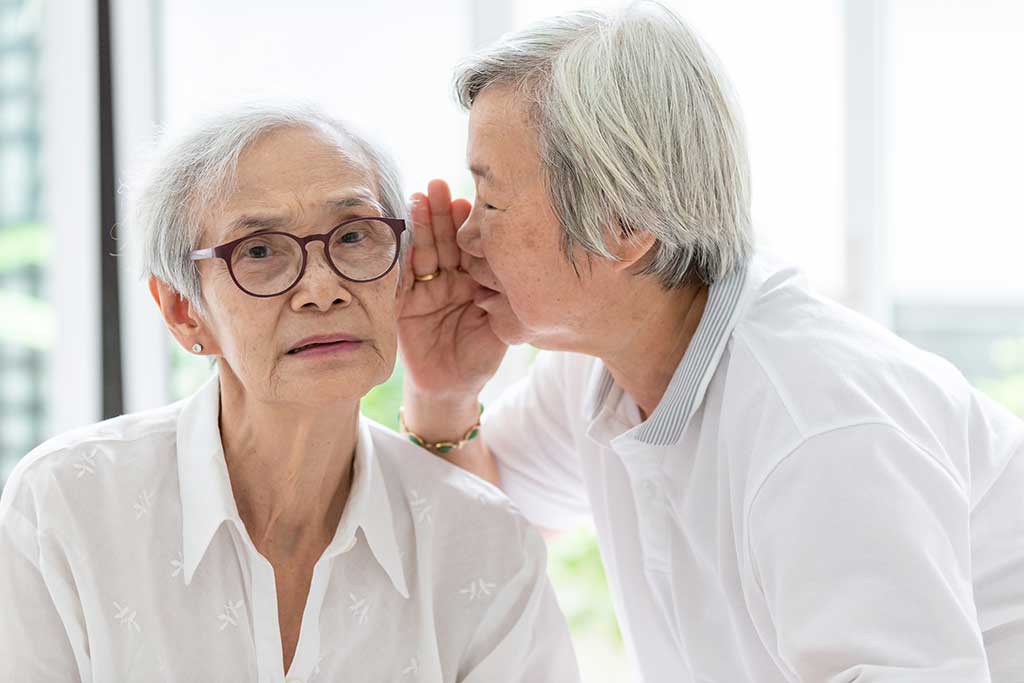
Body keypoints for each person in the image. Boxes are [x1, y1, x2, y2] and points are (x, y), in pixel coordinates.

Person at [396, 4, 1024, 681]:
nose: (463, 237)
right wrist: (444, 394)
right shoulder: (605, 364)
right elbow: (483, 536)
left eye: (490, 201)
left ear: (625, 224)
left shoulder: (819, 430)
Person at [0, 105, 580, 682]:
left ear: (400, 275)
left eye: (354, 236)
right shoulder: (68, 504)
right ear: (183, 313)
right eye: (259, 251)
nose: (322, 289)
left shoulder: (486, 543)